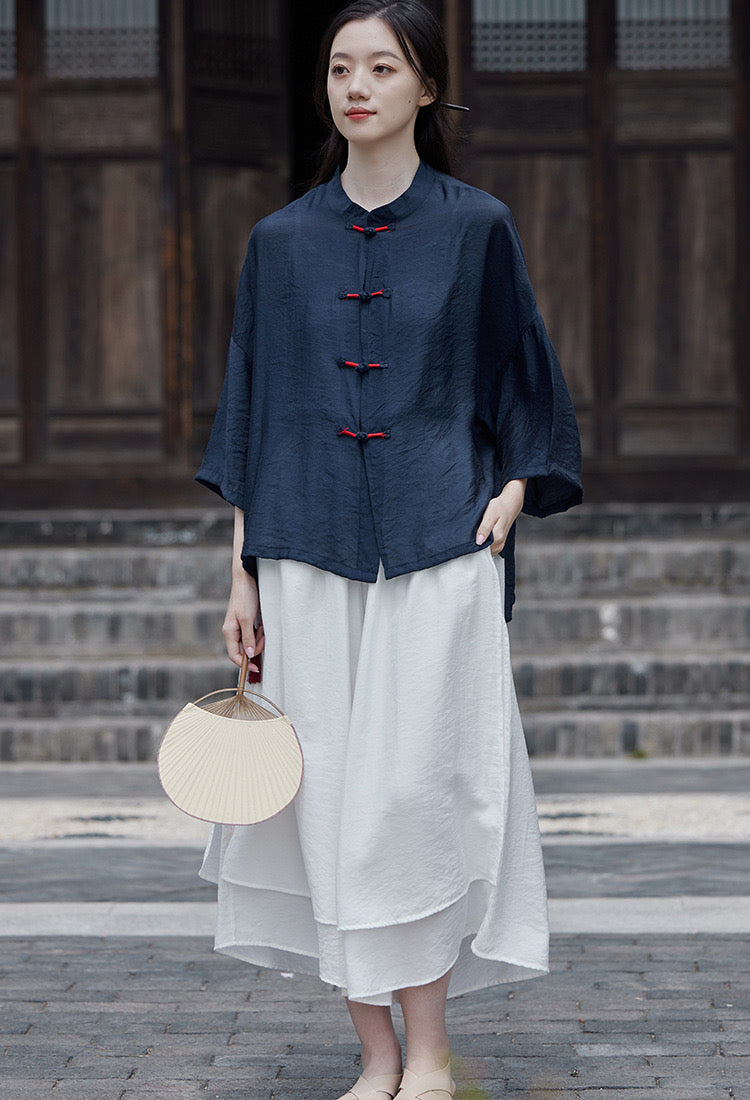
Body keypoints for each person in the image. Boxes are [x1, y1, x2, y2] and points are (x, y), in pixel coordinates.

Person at [195, 2, 582, 1097]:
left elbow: (524, 376)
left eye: (381, 67)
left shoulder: (477, 227)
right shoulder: (279, 244)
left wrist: (515, 489)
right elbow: (256, 412)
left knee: (414, 800)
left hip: (440, 541)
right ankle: (376, 1055)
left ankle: (433, 1052)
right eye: (339, 69)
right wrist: (242, 572)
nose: (356, 87)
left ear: (427, 87)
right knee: (327, 801)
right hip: (305, 548)